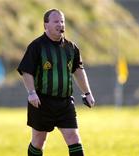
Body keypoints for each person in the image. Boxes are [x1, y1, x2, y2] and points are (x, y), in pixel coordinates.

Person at [17, 8, 95, 156]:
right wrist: (32, 93)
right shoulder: (37, 46)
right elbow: (26, 71)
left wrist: (87, 93)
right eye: (56, 21)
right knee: (39, 141)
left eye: (62, 21)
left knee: (73, 137)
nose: (60, 24)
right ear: (45, 25)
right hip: (41, 102)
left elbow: (78, 70)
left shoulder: (71, 48)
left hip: (65, 102)